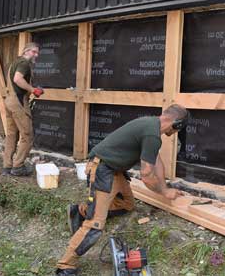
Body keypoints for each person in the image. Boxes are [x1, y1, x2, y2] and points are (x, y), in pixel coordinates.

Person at [55, 104, 189, 275]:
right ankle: (65, 266)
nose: (177, 133)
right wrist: (164, 193)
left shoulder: (151, 128)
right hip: (103, 169)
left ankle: (80, 211)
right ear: (176, 124)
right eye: (179, 129)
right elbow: (146, 176)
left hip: (114, 170)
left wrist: (165, 188)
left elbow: (157, 163)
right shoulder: (151, 133)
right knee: (95, 224)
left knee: (126, 205)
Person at [2, 42, 44, 176]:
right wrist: (33, 90)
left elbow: (16, 81)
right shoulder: (24, 63)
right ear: (26, 51)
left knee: (11, 135)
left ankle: (7, 167)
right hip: (18, 102)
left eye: (37, 53)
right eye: (33, 52)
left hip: (9, 101)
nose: (36, 55)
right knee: (27, 135)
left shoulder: (15, 63)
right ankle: (18, 167)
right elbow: (17, 79)